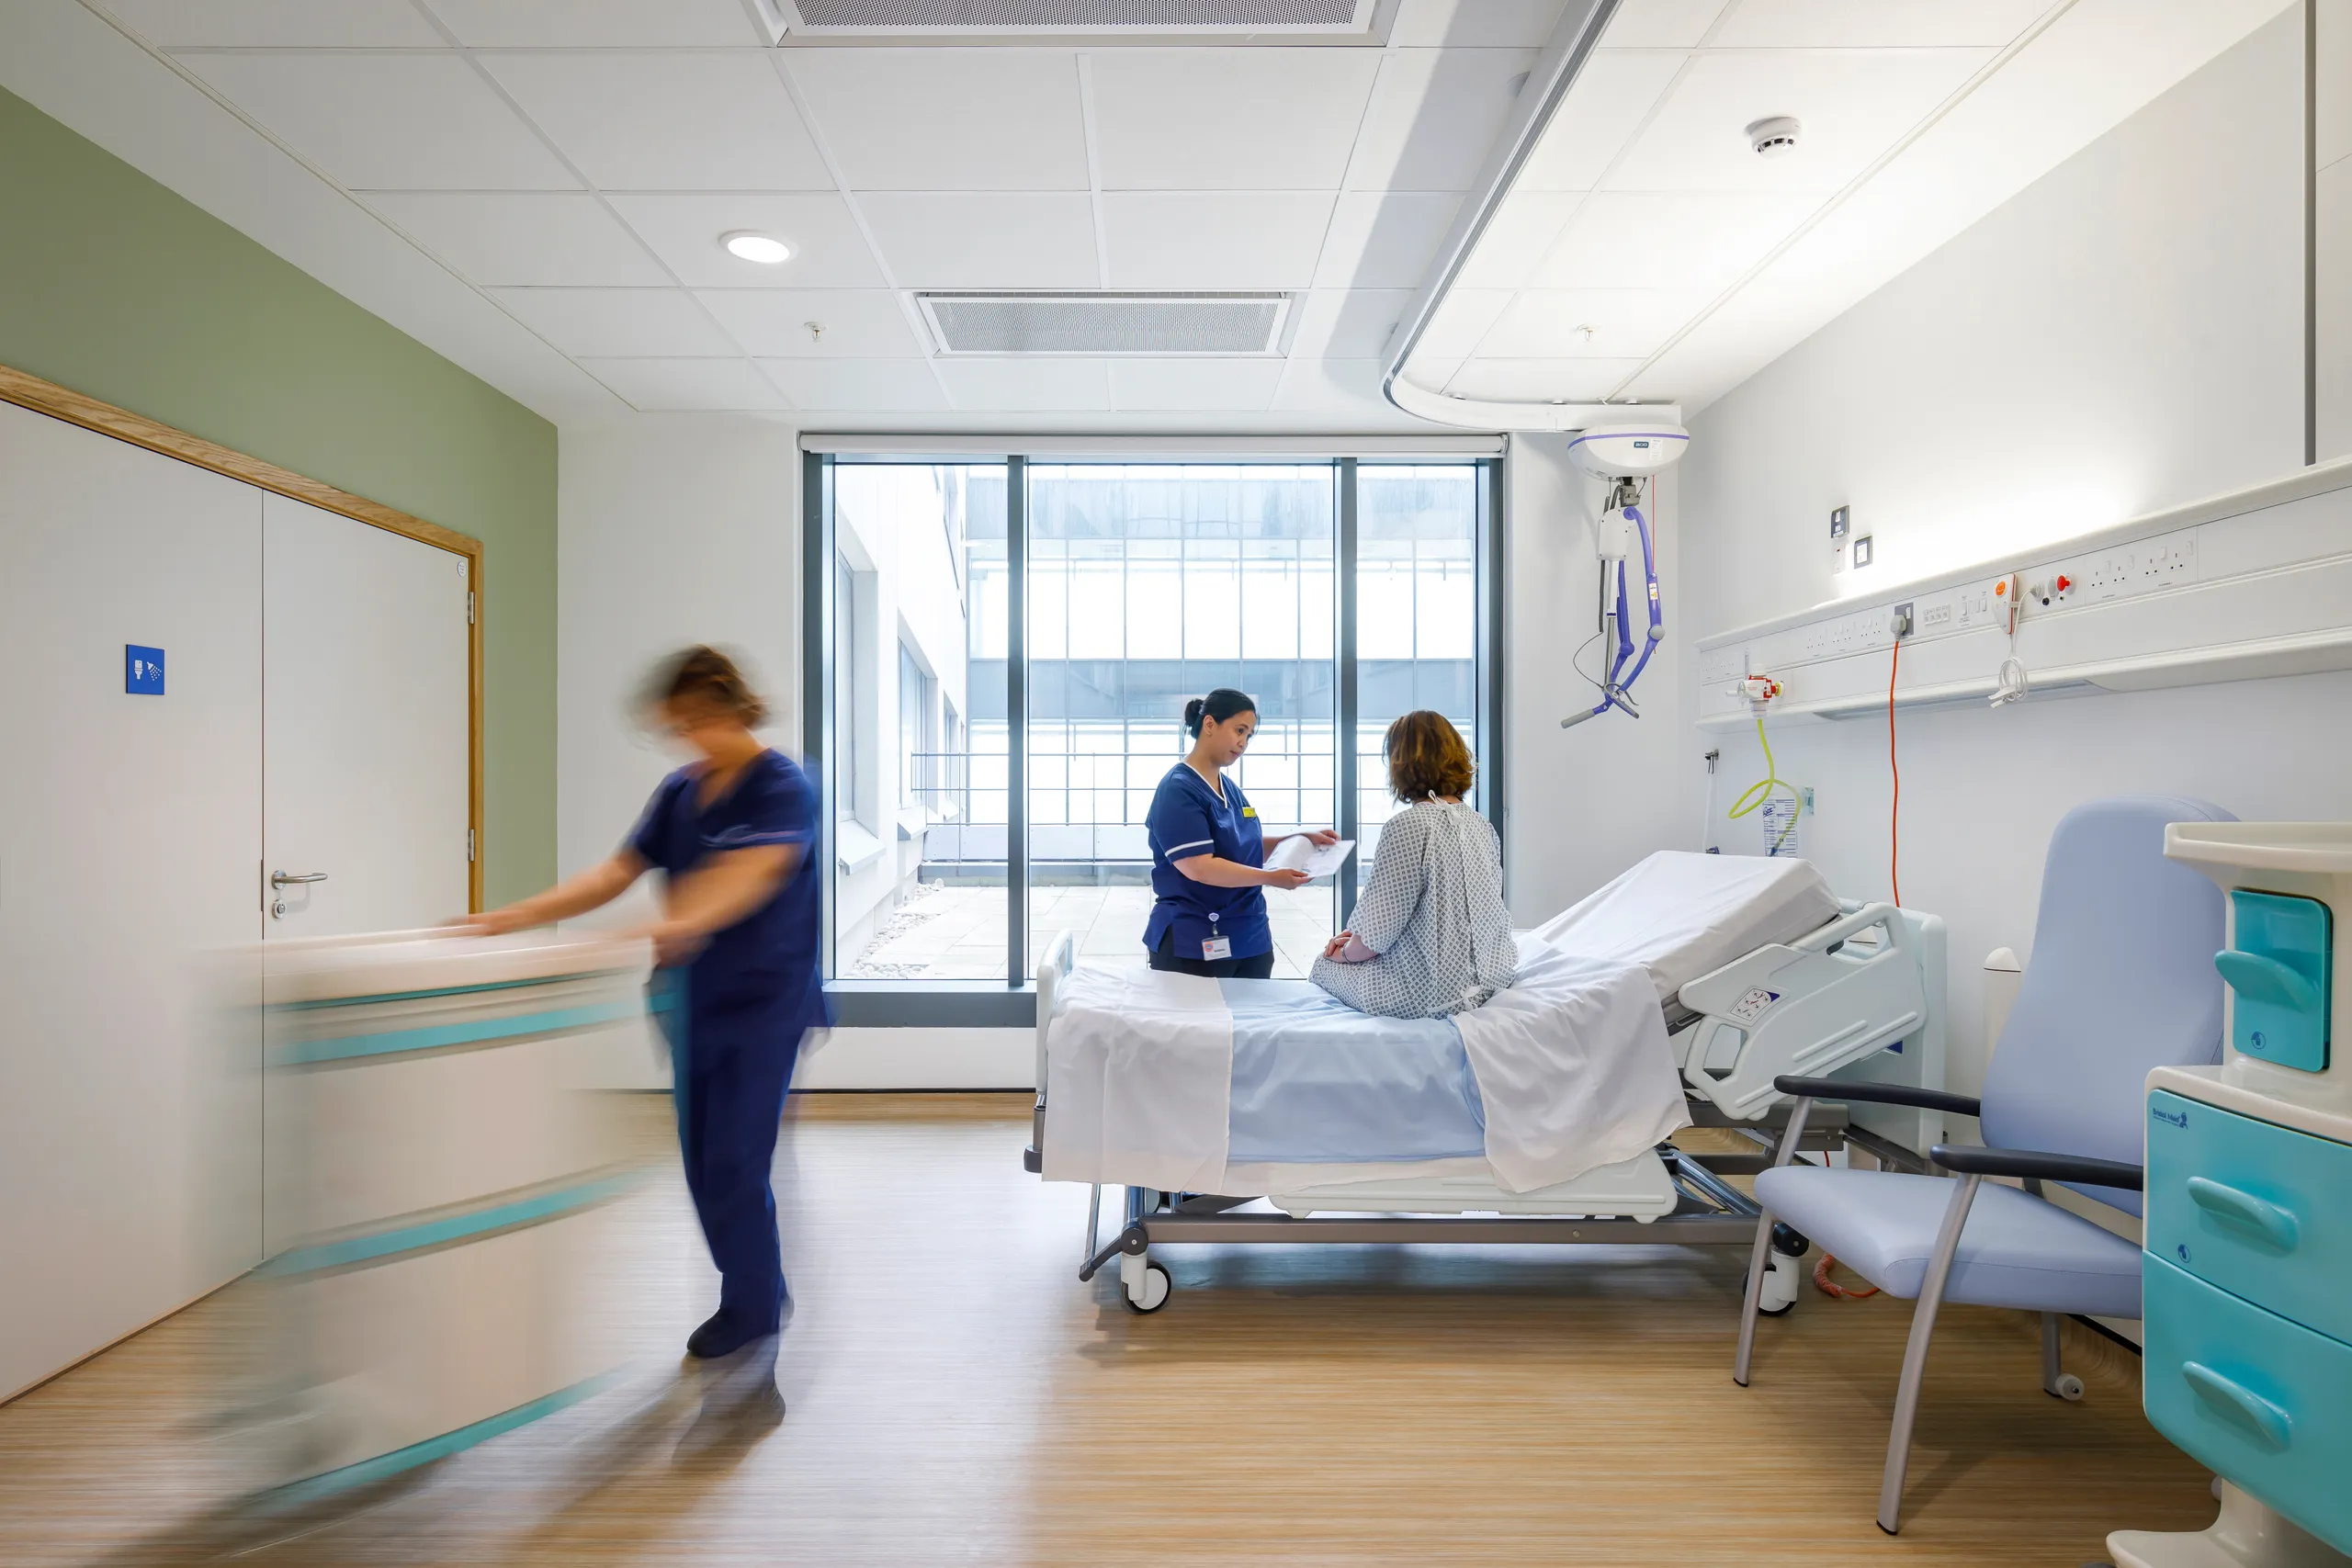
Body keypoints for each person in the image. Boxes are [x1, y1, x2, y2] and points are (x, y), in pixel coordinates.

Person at [463, 646, 823, 1361]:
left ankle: (752, 1304)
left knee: (735, 1162)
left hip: (764, 1006)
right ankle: (760, 1282)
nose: (684, 737)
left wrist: (658, 927)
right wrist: (512, 916)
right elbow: (614, 872)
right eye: (674, 726)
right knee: (699, 1161)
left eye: (691, 721)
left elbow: (743, 880)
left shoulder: (783, 787)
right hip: (690, 1002)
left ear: (726, 705)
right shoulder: (679, 791)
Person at [1311, 710, 1516, 1019]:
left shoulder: (1408, 826)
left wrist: (1346, 953)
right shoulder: (1481, 825)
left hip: (1431, 996)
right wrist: (1358, 938)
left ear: (1400, 764)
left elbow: (1378, 930)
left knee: (1323, 966)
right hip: (1492, 982)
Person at [1142, 687, 1339, 978]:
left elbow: (1244, 846)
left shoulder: (1229, 788)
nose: (1243, 742)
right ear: (1209, 724)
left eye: (1249, 735)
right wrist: (1270, 878)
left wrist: (1300, 839)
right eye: (1239, 730)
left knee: (1252, 1023)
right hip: (1195, 938)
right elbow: (1199, 866)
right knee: (1202, 1022)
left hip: (1250, 936)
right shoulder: (1178, 789)